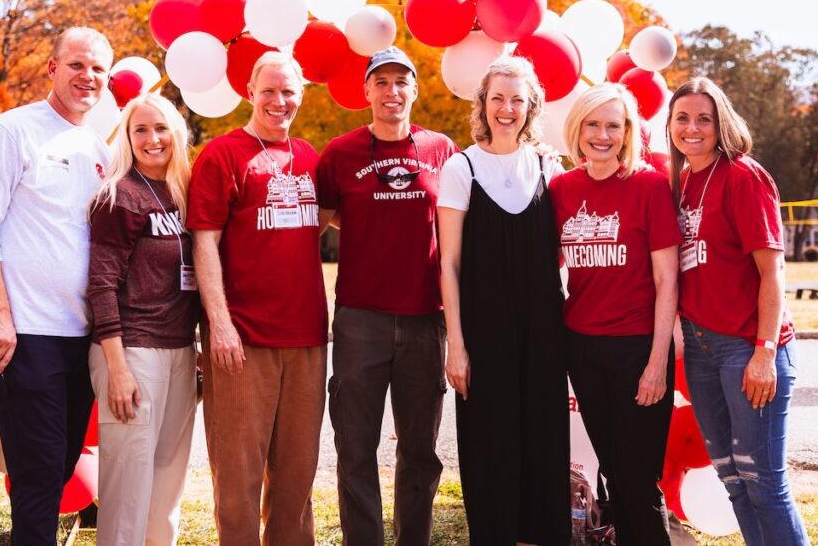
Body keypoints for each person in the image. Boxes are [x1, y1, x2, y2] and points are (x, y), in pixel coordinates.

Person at [0, 26, 114, 544]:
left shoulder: (97, 150)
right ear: (52, 68)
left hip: (80, 337)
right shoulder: (10, 132)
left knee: (60, 465)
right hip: (25, 336)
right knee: (38, 476)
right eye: (76, 65)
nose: (87, 77)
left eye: (97, 70)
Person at [317, 47, 457, 546]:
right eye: (382, 82)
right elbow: (319, 222)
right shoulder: (340, 153)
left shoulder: (442, 149)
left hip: (425, 317)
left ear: (415, 89)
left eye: (402, 81)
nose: (392, 91)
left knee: (420, 449)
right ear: (366, 92)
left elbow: (456, 228)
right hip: (360, 319)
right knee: (355, 446)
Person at [187, 51, 328, 546]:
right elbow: (204, 242)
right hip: (242, 341)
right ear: (249, 92)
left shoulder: (312, 158)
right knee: (238, 478)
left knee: (297, 476)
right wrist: (219, 325)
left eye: (288, 91)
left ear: (300, 97)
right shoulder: (223, 155)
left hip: (309, 337)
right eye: (268, 90)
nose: (278, 100)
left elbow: (339, 223)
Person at [668, 77, 809, 545]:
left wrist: (765, 352)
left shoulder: (743, 175)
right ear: (669, 125)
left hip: (747, 349)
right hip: (703, 350)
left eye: (704, 119)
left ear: (720, 124)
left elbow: (774, 273)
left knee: (764, 482)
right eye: (683, 118)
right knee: (733, 480)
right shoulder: (682, 181)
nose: (693, 128)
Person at [437, 56, 570, 545]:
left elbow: (563, 253)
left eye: (517, 99)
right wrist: (457, 345)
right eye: (498, 98)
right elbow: (448, 264)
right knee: (490, 448)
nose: (507, 108)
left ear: (531, 105)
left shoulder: (548, 167)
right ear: (483, 104)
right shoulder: (460, 167)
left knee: (544, 444)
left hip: (543, 334)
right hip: (483, 335)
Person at [549, 83, 681, 545]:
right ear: (577, 129)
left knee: (637, 477)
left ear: (627, 132)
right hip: (582, 349)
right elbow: (547, 269)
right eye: (592, 124)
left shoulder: (648, 186)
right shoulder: (561, 189)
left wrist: (657, 363)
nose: (601, 135)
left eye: (612, 125)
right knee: (610, 470)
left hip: (636, 348)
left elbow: (668, 281)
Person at [87, 93, 200, 545]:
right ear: (127, 139)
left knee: (168, 485)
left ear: (176, 133)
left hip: (179, 350)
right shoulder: (118, 196)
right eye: (140, 130)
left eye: (160, 129)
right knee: (128, 492)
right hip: (131, 351)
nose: (152, 139)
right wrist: (117, 370)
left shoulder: (184, 193)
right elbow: (100, 285)